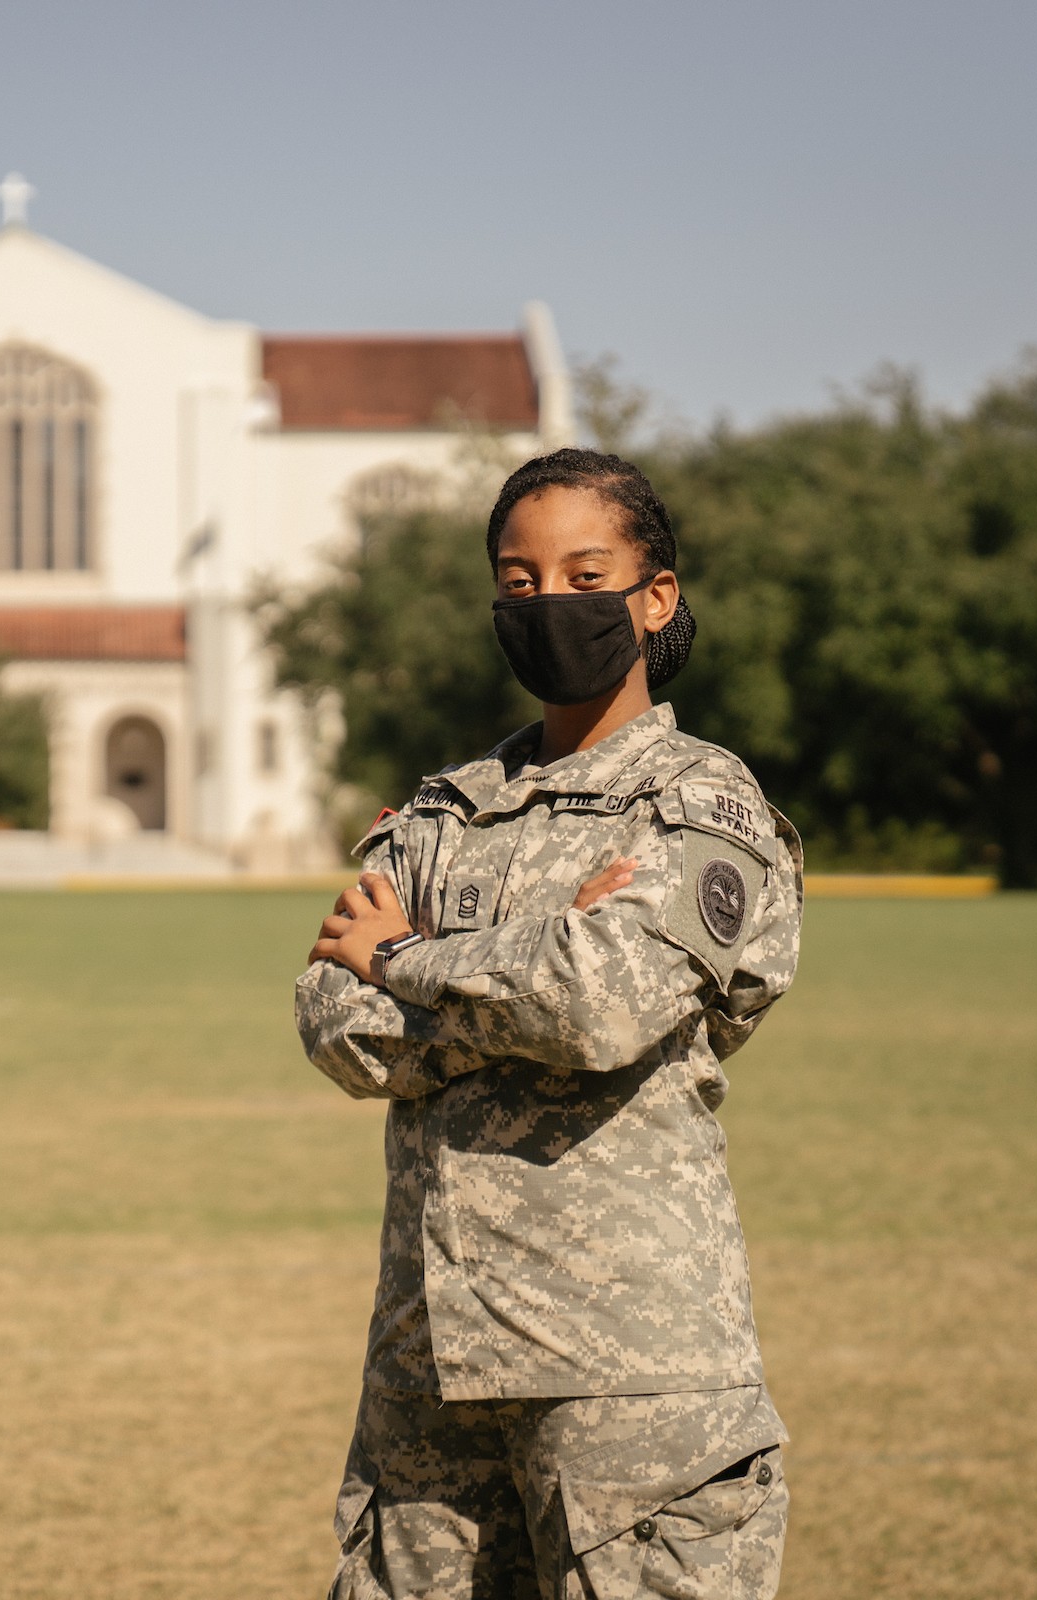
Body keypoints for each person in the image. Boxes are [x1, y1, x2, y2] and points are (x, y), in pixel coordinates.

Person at [298, 448, 803, 1600]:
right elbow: (335, 1020)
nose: (548, 604)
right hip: (431, 1363)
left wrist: (410, 959)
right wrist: (522, 967)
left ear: (654, 597)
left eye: (585, 574)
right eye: (518, 582)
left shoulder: (699, 802)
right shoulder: (443, 809)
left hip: (629, 1369)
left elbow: (605, 1004)